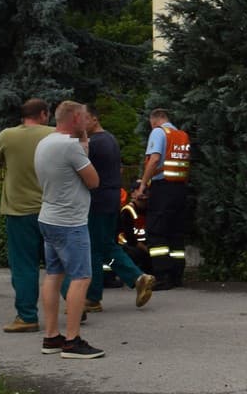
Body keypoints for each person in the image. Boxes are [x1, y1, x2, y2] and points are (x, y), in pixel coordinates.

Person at [34, 101, 104, 359]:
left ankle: (52, 336)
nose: (88, 121)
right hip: (70, 223)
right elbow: (94, 181)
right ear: (75, 117)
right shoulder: (69, 147)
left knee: (54, 274)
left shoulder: (47, 142)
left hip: (49, 217)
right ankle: (72, 340)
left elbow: (77, 155)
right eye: (84, 118)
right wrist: (82, 140)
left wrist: (82, 136)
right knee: (81, 277)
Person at [75, 108, 155, 312]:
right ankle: (137, 278)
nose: (80, 124)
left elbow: (80, 169)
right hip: (110, 199)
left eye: (83, 119)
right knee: (106, 246)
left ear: (94, 118)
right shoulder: (109, 139)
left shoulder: (94, 143)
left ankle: (92, 297)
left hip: (97, 201)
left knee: (93, 248)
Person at [0, 98, 55, 333]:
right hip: (51, 208)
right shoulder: (55, 134)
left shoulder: (7, 135)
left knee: (24, 265)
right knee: (59, 262)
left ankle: (27, 316)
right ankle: (77, 307)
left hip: (18, 210)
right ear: (43, 114)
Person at [137, 108, 191, 289]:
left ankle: (162, 275)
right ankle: (177, 275)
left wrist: (143, 184)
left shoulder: (159, 132)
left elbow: (154, 159)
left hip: (163, 188)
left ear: (155, 120)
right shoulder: (181, 135)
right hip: (180, 188)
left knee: (156, 232)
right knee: (175, 233)